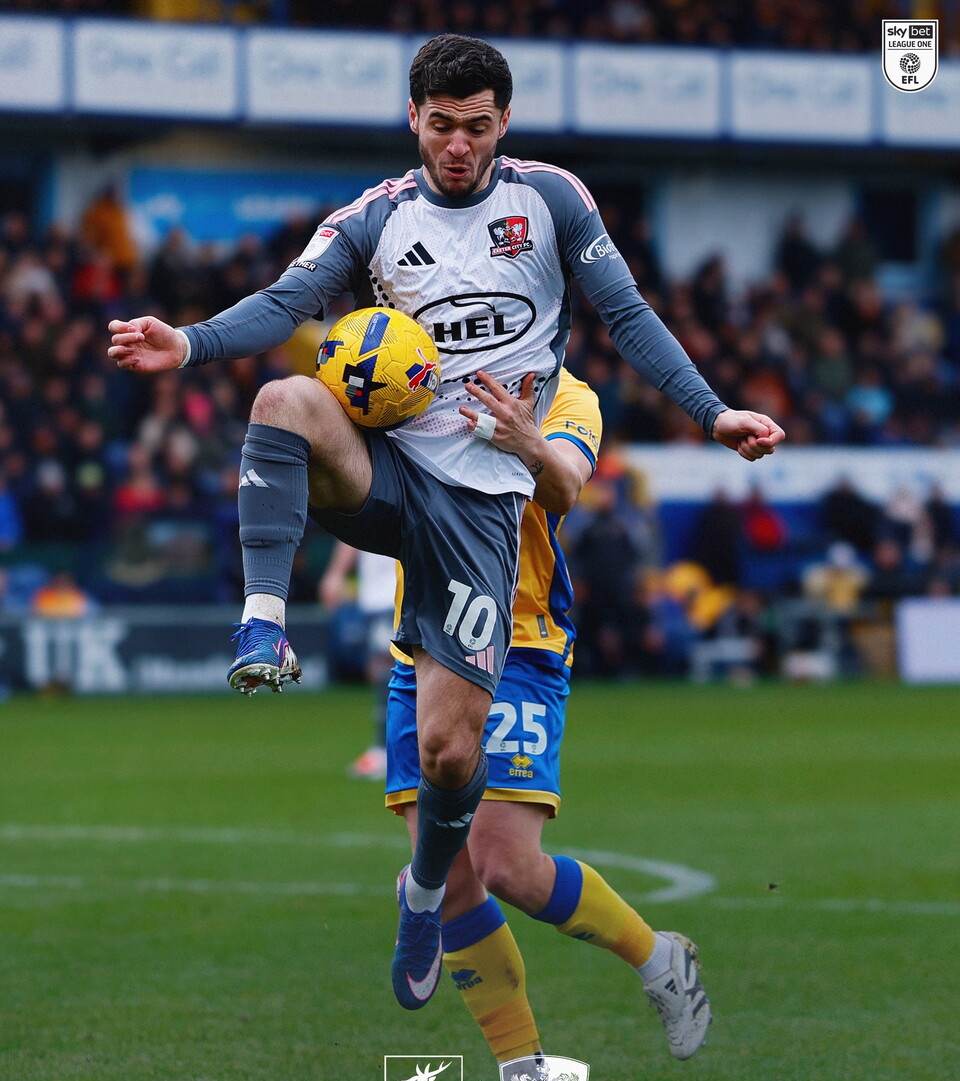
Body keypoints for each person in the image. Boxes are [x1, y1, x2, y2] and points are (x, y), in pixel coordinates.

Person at [108, 33, 784, 1011]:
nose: (457, 143)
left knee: (448, 758)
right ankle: (263, 618)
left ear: (502, 123)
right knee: (283, 404)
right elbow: (292, 299)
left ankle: (426, 888)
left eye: (475, 125)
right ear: (413, 120)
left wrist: (712, 411)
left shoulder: (551, 201)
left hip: (480, 511)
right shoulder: (375, 218)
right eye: (440, 125)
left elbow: (627, 315)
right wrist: (193, 342)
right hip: (391, 476)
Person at [386, 367, 711, 1081]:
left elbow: (563, 488)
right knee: (453, 879)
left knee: (506, 866)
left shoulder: (570, 395)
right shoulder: (411, 365)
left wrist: (524, 438)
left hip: (519, 639)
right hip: (420, 647)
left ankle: (657, 956)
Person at [319, 543, 396, 780]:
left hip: (396, 595)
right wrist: (336, 574)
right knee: (382, 672)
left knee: (388, 672)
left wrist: (335, 573)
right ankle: (394, 750)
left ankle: (385, 751)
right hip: (374, 598)